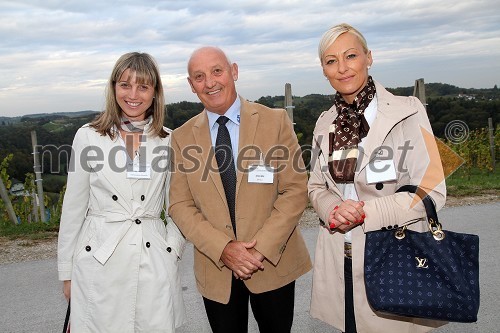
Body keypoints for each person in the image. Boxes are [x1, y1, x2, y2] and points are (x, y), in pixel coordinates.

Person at [308, 24, 447, 333]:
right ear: (323, 70)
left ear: (369, 58)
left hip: (393, 256)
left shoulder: (408, 112)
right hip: (341, 257)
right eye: (331, 60)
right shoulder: (325, 122)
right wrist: (332, 208)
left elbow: (432, 190)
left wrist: (363, 213)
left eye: (351, 55)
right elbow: (316, 186)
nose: (342, 68)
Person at [168, 46, 312, 333]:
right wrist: (223, 250)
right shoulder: (182, 137)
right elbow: (179, 205)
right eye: (199, 76)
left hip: (272, 263)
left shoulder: (275, 121)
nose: (210, 82)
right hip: (217, 267)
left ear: (233, 71)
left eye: (217, 71)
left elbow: (295, 190)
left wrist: (259, 251)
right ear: (191, 84)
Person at [57, 52, 186, 332]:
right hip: (100, 259)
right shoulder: (88, 136)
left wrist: (171, 251)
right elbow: (73, 209)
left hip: (152, 260)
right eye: (125, 84)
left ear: (155, 93)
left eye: (143, 86)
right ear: (113, 87)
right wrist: (67, 272)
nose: (133, 94)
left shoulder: (169, 140)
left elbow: (177, 206)